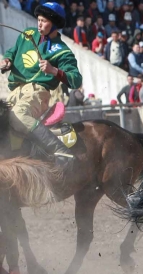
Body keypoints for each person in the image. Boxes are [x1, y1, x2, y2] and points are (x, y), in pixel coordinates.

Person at [1, 1, 82, 166]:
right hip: (14, 93)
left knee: (18, 117)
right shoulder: (27, 34)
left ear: (54, 24)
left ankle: (61, 151)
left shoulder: (62, 50)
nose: (39, 23)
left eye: (44, 21)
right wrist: (7, 60)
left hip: (38, 94)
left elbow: (76, 79)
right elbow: (12, 51)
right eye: (38, 19)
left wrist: (54, 71)